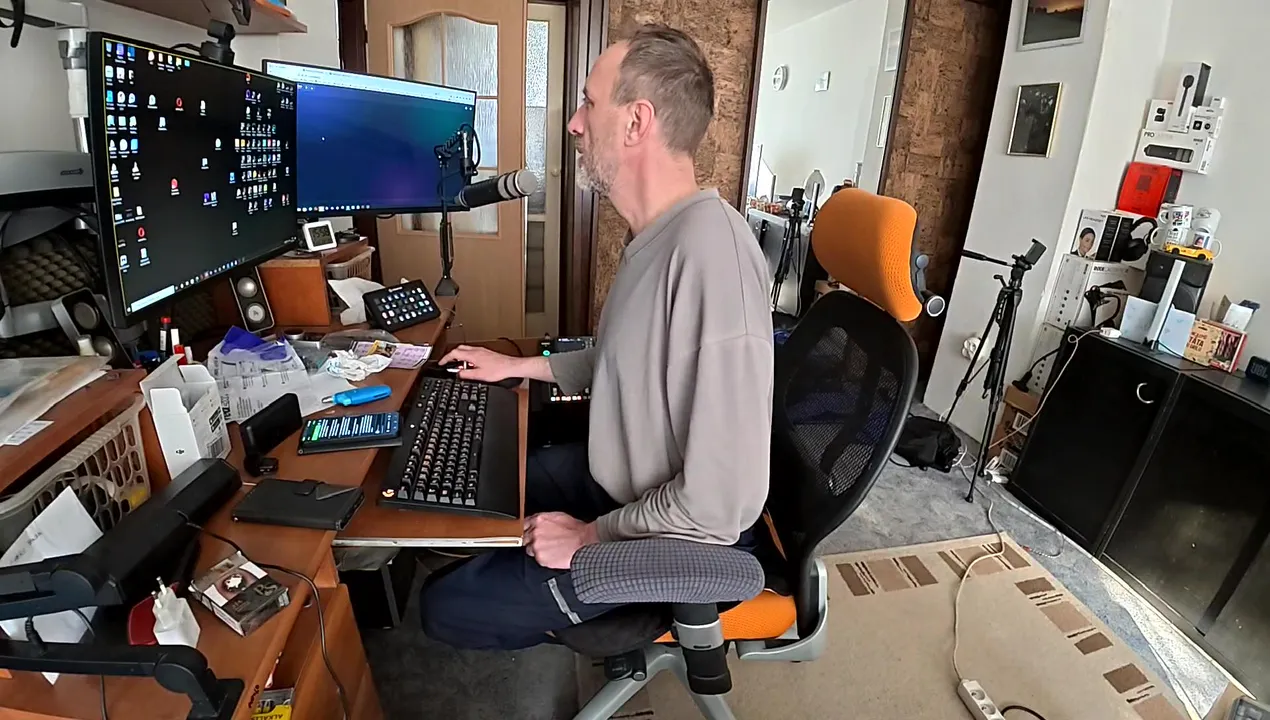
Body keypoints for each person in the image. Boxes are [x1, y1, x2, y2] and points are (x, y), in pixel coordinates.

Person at [418, 24, 775, 651]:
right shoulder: (657, 236)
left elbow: (718, 507)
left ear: (636, 122)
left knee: (445, 606)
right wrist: (516, 369)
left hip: (671, 544)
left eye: (588, 102)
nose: (575, 124)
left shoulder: (712, 256)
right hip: (621, 486)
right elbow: (622, 358)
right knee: (470, 486)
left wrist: (586, 538)